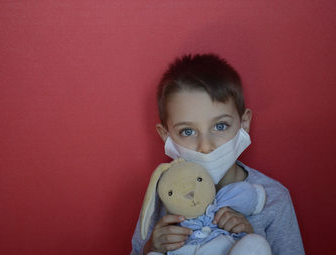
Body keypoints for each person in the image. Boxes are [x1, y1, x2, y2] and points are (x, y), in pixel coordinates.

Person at [131, 54, 305, 255]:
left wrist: (250, 238)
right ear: (165, 135)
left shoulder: (274, 198)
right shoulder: (161, 196)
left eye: (220, 126)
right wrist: (151, 247)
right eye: (187, 131)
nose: (205, 146)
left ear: (244, 123)